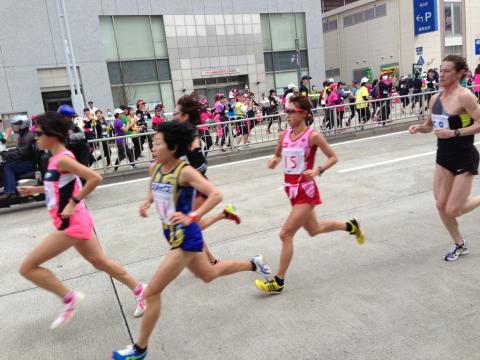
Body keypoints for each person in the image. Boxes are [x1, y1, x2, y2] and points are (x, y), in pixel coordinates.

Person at [111, 121, 271, 359]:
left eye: (157, 143)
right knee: (208, 274)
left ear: (173, 147)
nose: (152, 148)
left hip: (185, 238)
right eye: (151, 143)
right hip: (173, 235)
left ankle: (139, 349)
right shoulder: (155, 168)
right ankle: (254, 263)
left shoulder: (184, 171)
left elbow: (215, 194)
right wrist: (147, 202)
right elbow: (155, 188)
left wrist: (193, 215)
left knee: (152, 293)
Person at [17, 112, 146, 329]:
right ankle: (141, 290)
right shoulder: (54, 158)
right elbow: (58, 187)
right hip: (75, 220)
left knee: (27, 267)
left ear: (52, 135)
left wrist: (72, 203)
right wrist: (35, 189)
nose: (35, 137)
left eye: (38, 133)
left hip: (71, 223)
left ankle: (69, 299)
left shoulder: (63, 159)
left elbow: (95, 177)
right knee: (100, 262)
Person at [255, 95, 364, 294]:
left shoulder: (313, 136)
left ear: (304, 113)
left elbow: (333, 157)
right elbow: (279, 154)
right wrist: (274, 160)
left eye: (291, 111)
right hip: (291, 191)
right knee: (314, 229)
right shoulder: (283, 135)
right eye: (286, 111)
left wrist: (318, 170)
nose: (286, 114)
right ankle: (350, 226)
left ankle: (278, 282)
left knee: (285, 234)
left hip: (306, 191)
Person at [409, 55, 480, 261]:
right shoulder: (435, 99)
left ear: (459, 73)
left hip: (464, 156)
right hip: (443, 157)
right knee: (440, 205)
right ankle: (459, 244)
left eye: (447, 70)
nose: (441, 74)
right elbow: (429, 126)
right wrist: (419, 128)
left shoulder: (465, 96)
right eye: (440, 70)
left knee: (453, 209)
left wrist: (455, 133)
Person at [0, 115, 35, 200]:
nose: (14, 127)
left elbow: (21, 153)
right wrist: (6, 153)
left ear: (22, 125)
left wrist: (5, 155)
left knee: (8, 167)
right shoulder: (25, 135)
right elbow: (19, 150)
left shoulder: (27, 136)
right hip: (26, 159)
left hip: (28, 162)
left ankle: (9, 192)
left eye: (16, 124)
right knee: (5, 164)